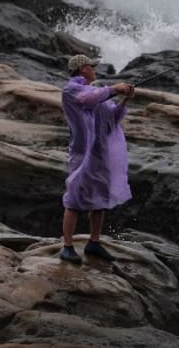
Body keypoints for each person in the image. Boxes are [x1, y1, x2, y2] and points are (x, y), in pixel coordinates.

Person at [59, 54, 135, 264]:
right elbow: (88, 98)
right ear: (83, 68)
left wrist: (125, 98)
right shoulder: (71, 89)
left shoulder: (97, 93)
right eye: (92, 67)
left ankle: (94, 242)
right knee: (73, 199)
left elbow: (113, 118)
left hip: (99, 154)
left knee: (99, 199)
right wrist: (114, 89)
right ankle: (67, 246)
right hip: (81, 153)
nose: (95, 70)